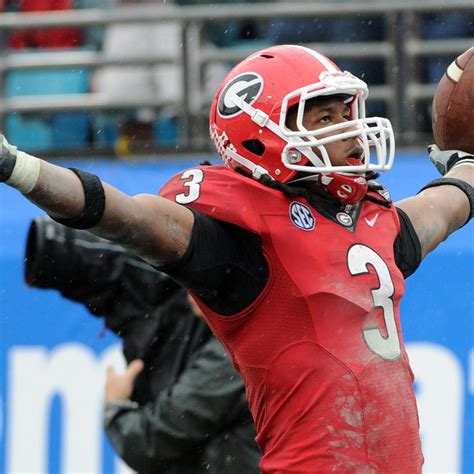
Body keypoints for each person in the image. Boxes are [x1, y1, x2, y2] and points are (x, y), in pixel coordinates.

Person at [1, 44, 473, 472]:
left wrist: (466, 162)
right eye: (325, 118)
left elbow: (449, 202)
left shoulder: (377, 223)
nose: (350, 130)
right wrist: (19, 167)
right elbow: (127, 215)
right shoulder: (245, 244)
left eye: (345, 112)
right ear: (261, 137)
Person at [24, 217, 260, 473]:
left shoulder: (233, 352)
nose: (188, 289)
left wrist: (115, 407)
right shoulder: (228, 337)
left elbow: (150, 441)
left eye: (200, 276)